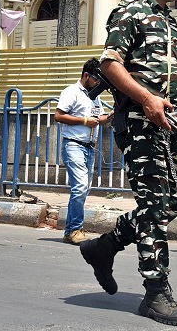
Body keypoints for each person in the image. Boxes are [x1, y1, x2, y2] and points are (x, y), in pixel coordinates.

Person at [80, 0, 177, 327]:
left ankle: (105, 246)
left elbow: (173, 77)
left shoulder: (171, 24)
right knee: (153, 204)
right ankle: (155, 292)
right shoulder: (129, 12)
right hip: (138, 123)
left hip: (171, 126)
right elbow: (109, 64)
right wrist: (147, 98)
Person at [55, 57, 111, 244]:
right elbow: (58, 115)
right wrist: (84, 121)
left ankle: (69, 230)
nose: (98, 83)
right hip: (74, 144)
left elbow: (99, 118)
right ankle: (76, 229)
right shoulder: (72, 92)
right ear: (86, 75)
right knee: (79, 187)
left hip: (89, 147)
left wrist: (111, 115)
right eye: (96, 79)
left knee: (83, 189)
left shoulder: (95, 96)